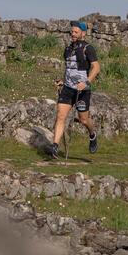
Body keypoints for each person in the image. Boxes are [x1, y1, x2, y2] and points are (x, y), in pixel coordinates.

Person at [49, 21, 101, 159]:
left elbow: (96, 68)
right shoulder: (68, 49)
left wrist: (86, 82)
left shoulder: (88, 49)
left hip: (82, 90)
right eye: (72, 32)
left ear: (83, 33)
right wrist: (62, 81)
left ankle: (92, 135)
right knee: (60, 116)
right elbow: (70, 68)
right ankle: (54, 146)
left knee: (84, 120)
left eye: (76, 32)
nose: (72, 34)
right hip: (67, 89)